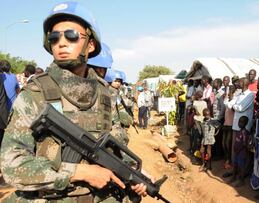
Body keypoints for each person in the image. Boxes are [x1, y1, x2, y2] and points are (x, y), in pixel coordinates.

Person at [0, 2, 148, 202]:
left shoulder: (104, 94)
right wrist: (79, 172)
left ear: (91, 44)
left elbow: (116, 147)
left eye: (71, 36)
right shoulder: (34, 94)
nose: (61, 43)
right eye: (54, 37)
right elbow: (12, 165)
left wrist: (133, 172)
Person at [229, 115, 250, 187]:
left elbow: (244, 144)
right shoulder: (239, 131)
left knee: (241, 167)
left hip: (241, 153)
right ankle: (234, 177)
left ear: (245, 124)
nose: (239, 123)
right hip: (237, 152)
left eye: (241, 122)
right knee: (235, 165)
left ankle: (242, 180)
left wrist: (238, 150)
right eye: (239, 122)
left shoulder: (244, 132)